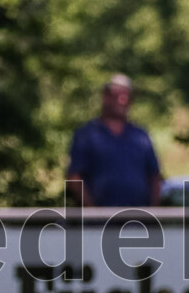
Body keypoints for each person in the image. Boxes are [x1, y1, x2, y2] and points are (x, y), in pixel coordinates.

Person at [67, 74, 162, 207]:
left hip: (138, 220)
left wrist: (153, 214)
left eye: (128, 96)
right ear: (106, 97)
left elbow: (155, 177)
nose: (123, 100)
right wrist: (93, 213)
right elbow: (75, 178)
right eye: (118, 95)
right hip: (99, 223)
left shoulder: (141, 136)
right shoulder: (87, 135)